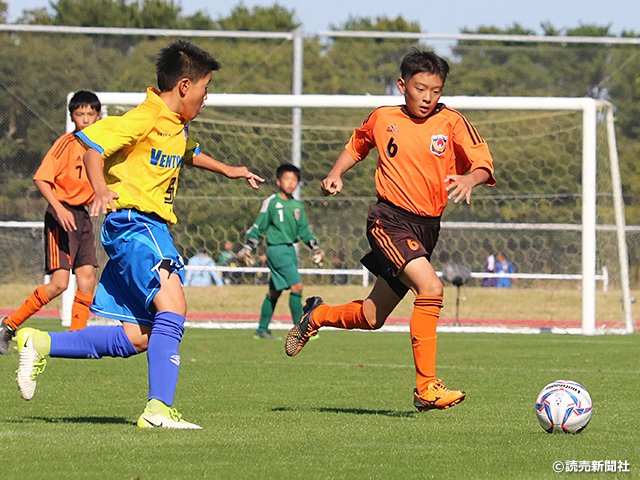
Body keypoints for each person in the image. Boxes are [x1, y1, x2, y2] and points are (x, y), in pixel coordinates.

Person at [13, 40, 264, 429]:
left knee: (140, 336)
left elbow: (187, 152)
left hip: (147, 228)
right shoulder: (145, 116)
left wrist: (229, 168)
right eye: (205, 86)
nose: (206, 96)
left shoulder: (175, 126)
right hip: (136, 223)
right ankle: (158, 411)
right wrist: (98, 188)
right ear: (184, 86)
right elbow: (93, 148)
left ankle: (40, 342)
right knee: (174, 306)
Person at [284, 48, 495, 411]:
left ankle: (315, 315)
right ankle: (426, 388)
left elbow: (483, 163)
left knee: (371, 316)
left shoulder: (452, 122)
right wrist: (336, 173)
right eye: (420, 88)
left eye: (436, 91)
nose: (428, 98)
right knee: (431, 287)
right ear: (402, 85)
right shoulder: (383, 118)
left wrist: (469, 178)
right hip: (388, 220)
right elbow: (358, 144)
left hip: (427, 228)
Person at [0, 91, 102, 355]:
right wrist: (59, 208)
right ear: (72, 117)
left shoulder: (103, 146)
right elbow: (41, 178)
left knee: (88, 280)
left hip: (82, 216)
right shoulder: (65, 144)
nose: (86, 118)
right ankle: (9, 325)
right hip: (61, 215)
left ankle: (77, 340)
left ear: (99, 115)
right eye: (80, 114)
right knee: (59, 283)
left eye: (91, 113)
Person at [238, 164, 324, 340]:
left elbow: (304, 231)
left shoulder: (297, 205)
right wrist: (247, 248)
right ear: (278, 181)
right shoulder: (271, 202)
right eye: (287, 179)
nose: (290, 183)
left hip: (290, 251)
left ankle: (261, 330)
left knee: (274, 292)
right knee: (297, 286)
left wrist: (315, 247)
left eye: (294, 180)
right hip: (276, 249)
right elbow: (258, 225)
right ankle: (300, 330)